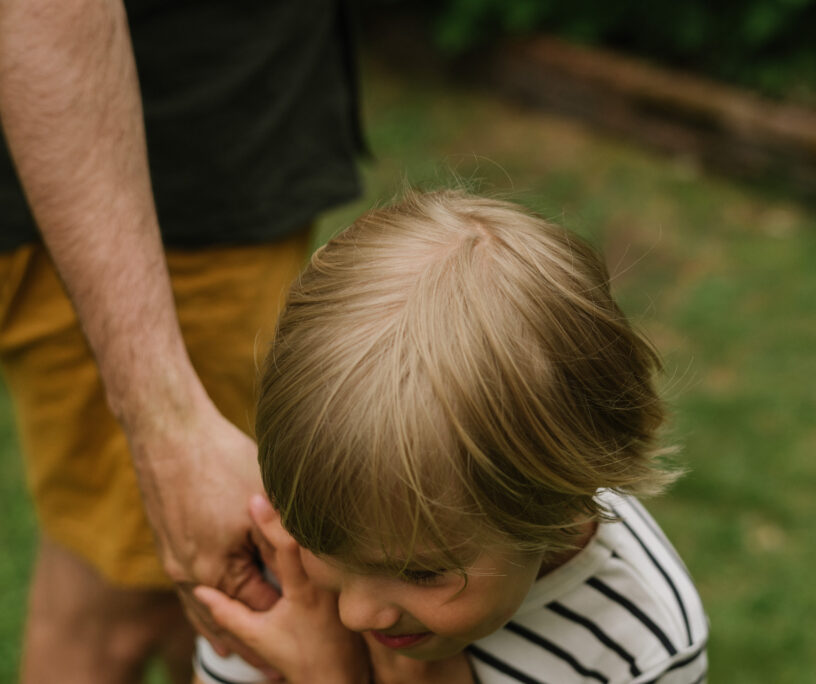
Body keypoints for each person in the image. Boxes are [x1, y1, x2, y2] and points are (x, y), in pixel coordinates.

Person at [191, 190, 710, 683]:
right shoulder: (297, 533)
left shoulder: (641, 651)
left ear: (558, 499)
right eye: (318, 543)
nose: (355, 614)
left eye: (421, 573)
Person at [0, 1, 363, 681]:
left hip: (211, 158)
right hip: (148, 196)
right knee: (122, 611)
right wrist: (165, 419)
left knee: (180, 609)